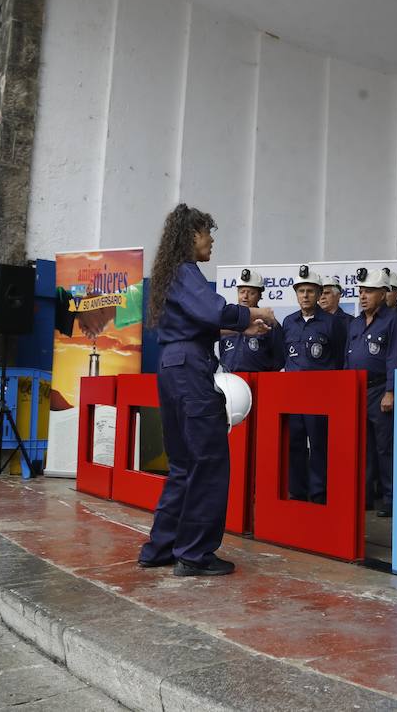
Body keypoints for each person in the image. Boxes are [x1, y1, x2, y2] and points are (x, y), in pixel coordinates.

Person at [138, 204, 275, 576]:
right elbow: (214, 310)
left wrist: (240, 329)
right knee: (209, 461)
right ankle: (195, 554)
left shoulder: (169, 275)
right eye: (205, 232)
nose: (211, 239)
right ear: (190, 236)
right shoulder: (187, 271)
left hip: (170, 365)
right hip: (190, 371)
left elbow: (196, 323)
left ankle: (161, 547)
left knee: (182, 464)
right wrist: (256, 314)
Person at [346, 267, 397, 517]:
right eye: (361, 291)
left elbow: (395, 357)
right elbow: (346, 359)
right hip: (357, 390)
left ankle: (391, 499)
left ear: (384, 293)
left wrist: (391, 391)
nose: (363, 296)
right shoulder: (356, 322)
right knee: (363, 447)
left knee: (385, 447)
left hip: (380, 389)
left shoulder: (394, 321)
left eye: (369, 291)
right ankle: (365, 497)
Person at [281, 265, 346, 503]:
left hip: (321, 395)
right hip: (293, 394)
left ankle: (319, 494)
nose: (305, 295)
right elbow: (283, 357)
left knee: (320, 446)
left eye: (310, 290)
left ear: (319, 294)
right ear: (296, 294)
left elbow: (340, 358)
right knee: (294, 444)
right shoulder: (288, 322)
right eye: (301, 291)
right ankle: (297, 492)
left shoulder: (332, 323)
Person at [220, 269, 286, 372]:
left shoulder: (269, 323)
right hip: (230, 380)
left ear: (260, 296)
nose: (245, 297)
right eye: (242, 292)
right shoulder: (228, 321)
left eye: (251, 293)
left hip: (260, 380)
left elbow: (279, 359)